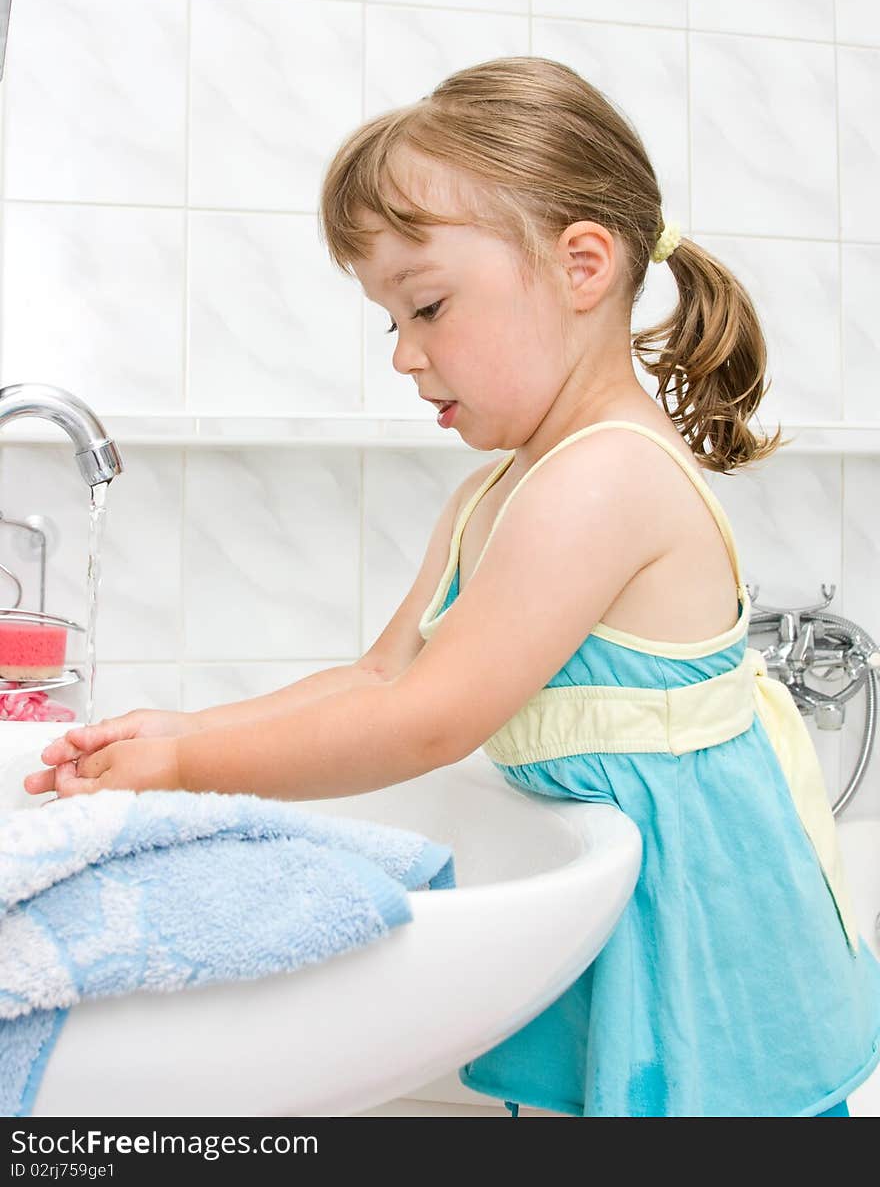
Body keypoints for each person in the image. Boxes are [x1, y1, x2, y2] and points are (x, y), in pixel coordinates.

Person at [24, 56, 880, 1117]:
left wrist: (190, 765)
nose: (403, 355)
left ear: (581, 266)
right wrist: (184, 733)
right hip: (628, 910)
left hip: (701, 939)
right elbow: (379, 674)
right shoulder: (498, 490)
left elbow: (425, 721)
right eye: (392, 320)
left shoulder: (605, 477)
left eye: (425, 307)